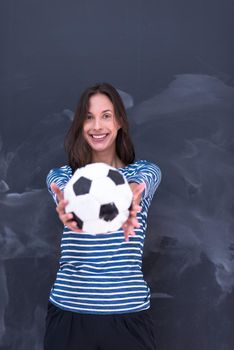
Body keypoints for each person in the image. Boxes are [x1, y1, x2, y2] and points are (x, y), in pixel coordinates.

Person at [43, 82, 162, 350]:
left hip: (128, 316)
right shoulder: (63, 177)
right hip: (70, 313)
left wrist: (132, 194)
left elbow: (146, 181)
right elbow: (62, 193)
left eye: (106, 115)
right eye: (89, 117)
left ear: (120, 121)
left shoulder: (144, 173)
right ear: (80, 125)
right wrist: (67, 205)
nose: (97, 126)